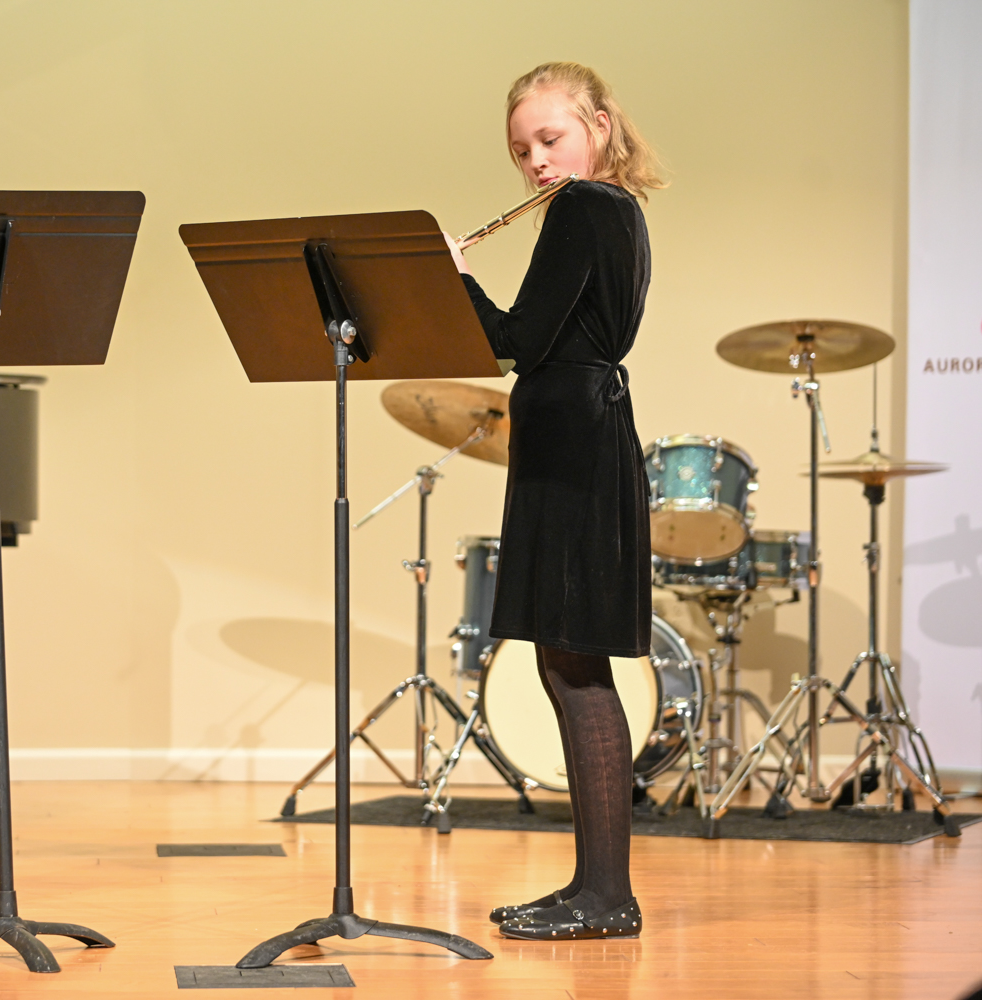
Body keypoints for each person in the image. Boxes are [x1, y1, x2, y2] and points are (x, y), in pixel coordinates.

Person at [445, 61, 663, 941]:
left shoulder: (586, 207)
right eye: (521, 150)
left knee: (575, 668)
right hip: (576, 439)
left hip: (575, 448)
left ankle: (608, 896)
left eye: (550, 138)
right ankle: (592, 886)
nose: (536, 161)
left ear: (599, 126)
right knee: (566, 666)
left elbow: (517, 341)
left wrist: (453, 279)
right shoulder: (615, 211)